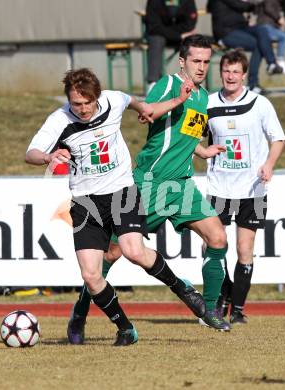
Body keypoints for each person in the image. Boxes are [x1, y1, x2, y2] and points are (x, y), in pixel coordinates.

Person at [68, 35, 231, 345]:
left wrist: (201, 150)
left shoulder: (203, 97)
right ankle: (79, 312)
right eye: (195, 60)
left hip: (181, 185)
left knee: (218, 237)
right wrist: (171, 102)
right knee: (112, 254)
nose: (201, 66)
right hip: (151, 182)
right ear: (182, 61)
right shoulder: (169, 85)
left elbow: (182, 133)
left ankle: (208, 310)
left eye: (206, 61)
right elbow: (149, 113)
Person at [25, 67, 207, 346]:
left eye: (88, 102)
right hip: (86, 202)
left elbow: (142, 106)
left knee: (134, 251)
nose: (83, 109)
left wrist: (174, 103)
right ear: (69, 100)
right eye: (77, 103)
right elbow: (31, 153)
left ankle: (183, 289)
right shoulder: (59, 119)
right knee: (91, 275)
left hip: (121, 192)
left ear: (97, 96)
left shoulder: (113, 100)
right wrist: (48, 155)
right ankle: (125, 328)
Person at [203, 49, 285, 324]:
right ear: (221, 73)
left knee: (243, 248)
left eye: (236, 71)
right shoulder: (208, 102)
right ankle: (222, 294)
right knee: (211, 246)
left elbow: (278, 139)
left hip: (252, 188)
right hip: (219, 187)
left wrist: (269, 164)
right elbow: (190, 137)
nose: (230, 76)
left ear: (244, 74)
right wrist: (202, 151)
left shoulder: (260, 103)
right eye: (226, 71)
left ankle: (237, 309)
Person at [207, 0, 283, 94]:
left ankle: (271, 64)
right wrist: (251, 4)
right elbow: (241, 6)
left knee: (262, 30)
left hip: (241, 28)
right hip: (226, 32)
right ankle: (253, 84)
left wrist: (250, 7)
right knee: (258, 44)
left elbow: (243, 6)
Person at [145, 0, 198, 90]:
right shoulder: (154, 2)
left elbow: (190, 24)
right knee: (156, 40)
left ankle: (194, 81)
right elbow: (154, 27)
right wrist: (178, 35)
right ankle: (153, 84)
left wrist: (178, 35)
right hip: (161, 35)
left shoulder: (188, 1)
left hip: (179, 34)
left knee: (194, 41)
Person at [255, 0, 285, 74]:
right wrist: (279, 18)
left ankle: (271, 66)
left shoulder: (279, 3)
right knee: (283, 37)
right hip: (265, 26)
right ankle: (280, 60)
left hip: (267, 26)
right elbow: (268, 8)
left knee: (265, 45)